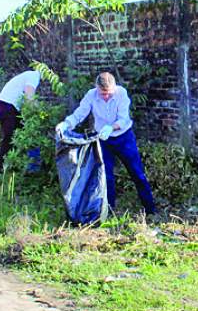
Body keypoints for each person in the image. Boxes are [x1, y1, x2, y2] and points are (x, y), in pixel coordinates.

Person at [55, 72, 156, 215]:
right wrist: (66, 124)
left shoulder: (121, 93)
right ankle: (109, 211)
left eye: (109, 94)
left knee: (137, 173)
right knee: (105, 177)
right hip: (103, 140)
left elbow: (123, 119)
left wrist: (111, 127)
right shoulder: (91, 95)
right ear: (96, 88)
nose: (106, 97)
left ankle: (151, 209)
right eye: (102, 94)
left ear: (114, 87)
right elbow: (80, 114)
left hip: (123, 138)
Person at [0, 70, 40, 171]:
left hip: (10, 107)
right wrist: (41, 114)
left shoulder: (28, 75)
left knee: (25, 135)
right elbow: (29, 98)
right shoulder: (34, 75)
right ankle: (0, 169)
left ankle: (29, 167)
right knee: (10, 136)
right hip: (6, 105)